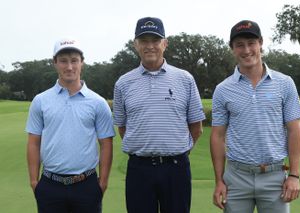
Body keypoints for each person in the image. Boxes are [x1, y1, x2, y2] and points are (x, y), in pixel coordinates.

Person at [113, 17, 206, 213]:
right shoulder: (123, 83)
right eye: (144, 41)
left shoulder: (185, 79)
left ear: (165, 43)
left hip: (176, 168)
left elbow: (196, 127)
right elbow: (123, 127)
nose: (150, 46)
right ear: (135, 44)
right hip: (139, 168)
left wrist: (178, 151)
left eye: (155, 40)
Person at [210, 20, 300, 213]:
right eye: (239, 45)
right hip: (236, 177)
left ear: (261, 43)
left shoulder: (285, 83)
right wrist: (219, 180)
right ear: (232, 49)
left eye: (251, 43)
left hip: (275, 176)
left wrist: (294, 175)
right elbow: (218, 136)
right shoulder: (222, 89)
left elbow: (294, 130)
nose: (246, 50)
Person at [26, 38, 115, 213]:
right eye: (63, 61)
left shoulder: (98, 102)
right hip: (50, 185)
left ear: (82, 63)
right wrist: (34, 182)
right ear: (55, 63)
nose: (69, 67)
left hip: (87, 185)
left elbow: (106, 144)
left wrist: (102, 183)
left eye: (74, 60)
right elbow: (33, 142)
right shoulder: (40, 101)